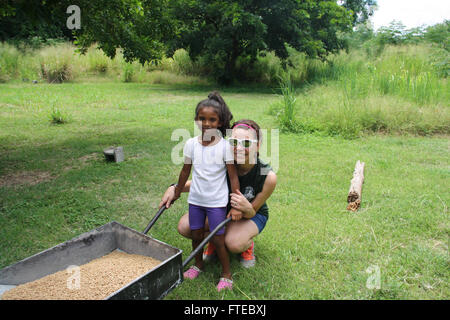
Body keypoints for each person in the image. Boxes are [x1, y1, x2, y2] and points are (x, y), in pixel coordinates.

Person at [160, 119, 277, 271]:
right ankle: (216, 240)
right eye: (234, 142)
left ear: (258, 145)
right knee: (185, 226)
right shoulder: (225, 162)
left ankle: (245, 245)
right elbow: (202, 182)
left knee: (234, 243)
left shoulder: (267, 176)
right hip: (222, 208)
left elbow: (253, 211)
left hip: (252, 214)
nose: (239, 148)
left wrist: (246, 208)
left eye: (246, 143)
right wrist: (175, 188)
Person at [172, 91, 241, 292]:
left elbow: (233, 176)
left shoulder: (224, 147)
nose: (207, 123)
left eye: (212, 119)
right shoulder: (191, 144)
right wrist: (177, 191)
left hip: (216, 202)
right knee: (196, 235)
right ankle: (198, 264)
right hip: (195, 200)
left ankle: (226, 273)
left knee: (218, 238)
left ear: (219, 122)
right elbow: (186, 170)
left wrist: (236, 201)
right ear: (196, 119)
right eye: (202, 119)